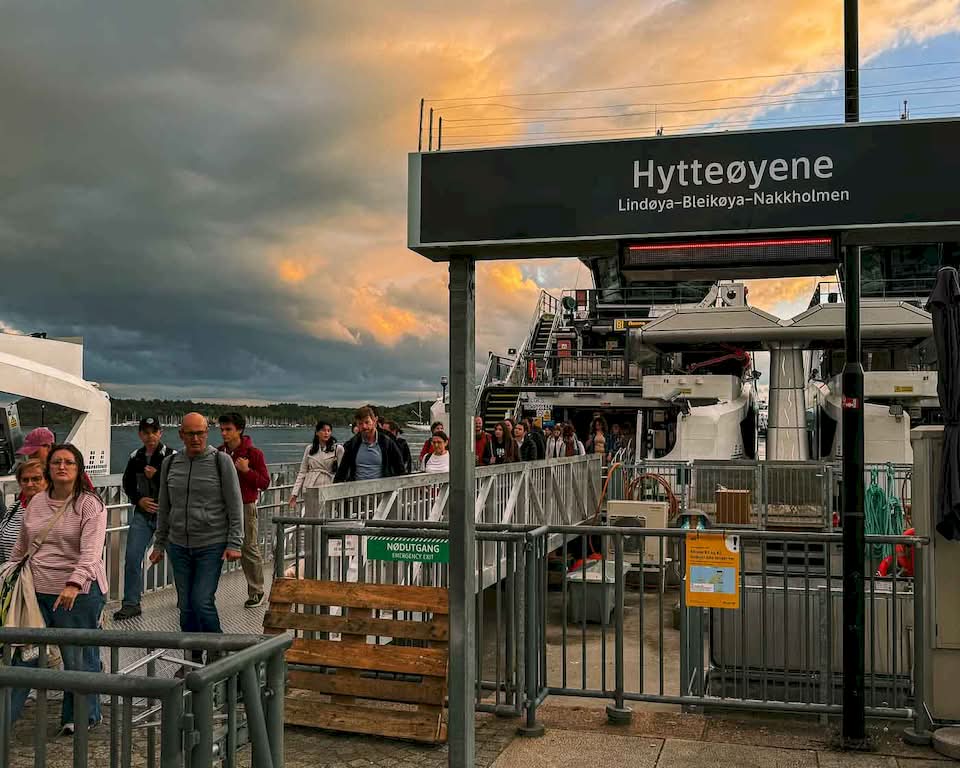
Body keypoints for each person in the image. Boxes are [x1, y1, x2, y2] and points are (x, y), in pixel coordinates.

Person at [9, 444, 108, 734]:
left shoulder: (89, 504)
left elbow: (90, 553)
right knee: (22, 657)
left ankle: (80, 716)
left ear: (78, 469)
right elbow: (23, 545)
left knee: (77, 660)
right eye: (56, 463)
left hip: (77, 595)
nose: (61, 467)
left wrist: (74, 583)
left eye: (68, 462)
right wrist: (10, 575)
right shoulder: (37, 502)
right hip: (35, 591)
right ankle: (5, 720)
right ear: (49, 468)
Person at [151, 414, 243, 644]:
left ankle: (218, 657)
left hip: (211, 544)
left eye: (200, 433)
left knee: (202, 601)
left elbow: (235, 504)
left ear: (206, 433)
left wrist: (235, 543)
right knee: (186, 606)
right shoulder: (170, 463)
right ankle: (192, 659)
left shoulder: (220, 461)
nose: (196, 438)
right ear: (181, 434)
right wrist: (159, 543)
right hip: (178, 545)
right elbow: (164, 505)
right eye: (190, 433)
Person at [113, 417, 175, 621]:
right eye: (146, 432)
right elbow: (128, 484)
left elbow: (177, 485)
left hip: (168, 516)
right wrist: (139, 500)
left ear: (161, 433)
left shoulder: (172, 457)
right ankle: (131, 603)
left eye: (154, 431)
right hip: (142, 515)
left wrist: (156, 476)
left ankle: (185, 598)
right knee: (132, 557)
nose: (150, 436)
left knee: (179, 558)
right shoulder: (135, 457)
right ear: (140, 434)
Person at [218, 412, 270, 609]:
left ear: (239, 430)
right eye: (222, 429)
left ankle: (256, 591)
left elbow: (264, 482)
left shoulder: (253, 454)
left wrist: (246, 471)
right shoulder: (219, 453)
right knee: (215, 545)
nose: (224, 433)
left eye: (228, 429)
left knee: (248, 547)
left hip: (246, 506)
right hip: (222, 506)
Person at [334, 406, 406, 482]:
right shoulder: (352, 444)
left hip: (382, 490)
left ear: (375, 421)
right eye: (360, 423)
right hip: (357, 491)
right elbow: (342, 471)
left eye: (367, 422)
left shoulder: (387, 443)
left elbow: (400, 469)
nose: (364, 426)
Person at [288, 422, 344, 516]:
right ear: (317, 432)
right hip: (310, 485)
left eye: (329, 430)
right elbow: (302, 472)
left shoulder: (337, 449)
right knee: (310, 515)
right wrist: (294, 494)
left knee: (326, 515)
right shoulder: (309, 449)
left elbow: (342, 471)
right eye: (323, 430)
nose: (326, 433)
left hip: (328, 485)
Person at [0, 459, 46, 564]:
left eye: (36, 479)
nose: (30, 484)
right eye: (25, 480)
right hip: (12, 577)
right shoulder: (14, 508)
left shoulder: (57, 511)